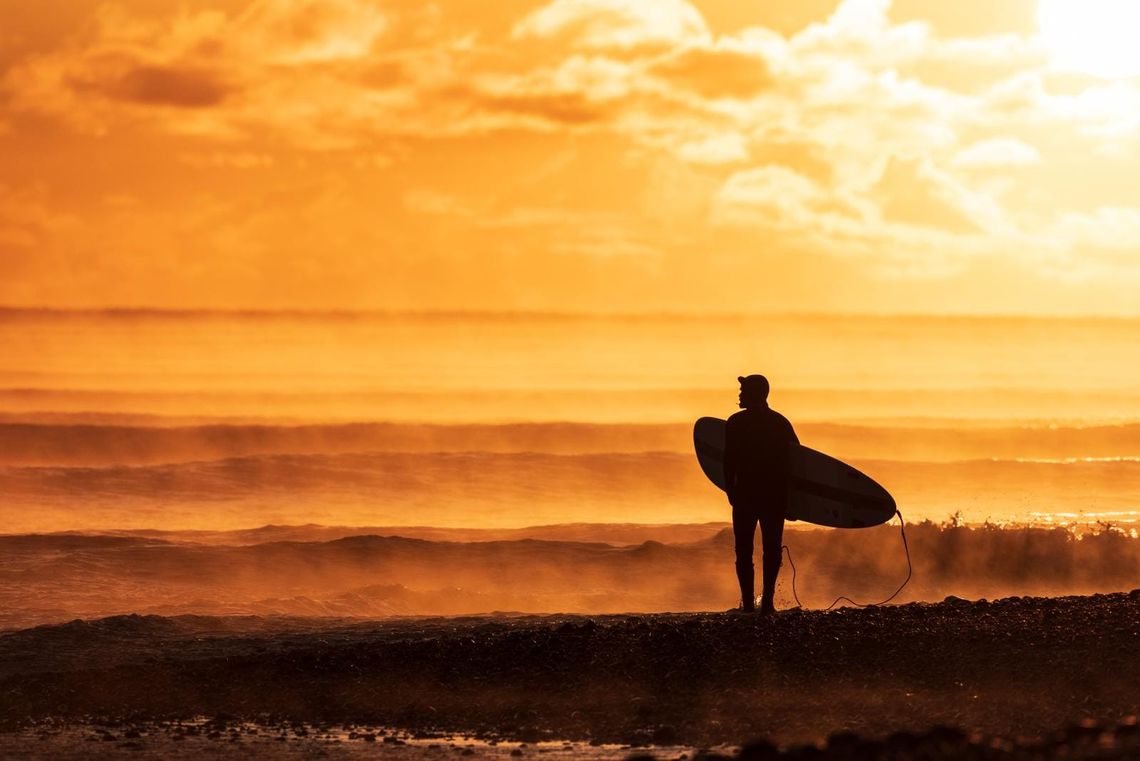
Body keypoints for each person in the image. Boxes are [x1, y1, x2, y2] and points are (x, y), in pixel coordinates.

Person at [722, 374, 798, 614]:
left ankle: (749, 605)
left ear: (756, 393)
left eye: (743, 391)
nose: (739, 395)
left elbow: (728, 461)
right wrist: (792, 501)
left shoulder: (735, 423)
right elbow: (796, 465)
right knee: (771, 550)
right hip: (772, 496)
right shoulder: (780, 423)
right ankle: (767, 604)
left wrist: (730, 491)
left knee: (744, 550)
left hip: (746, 494)